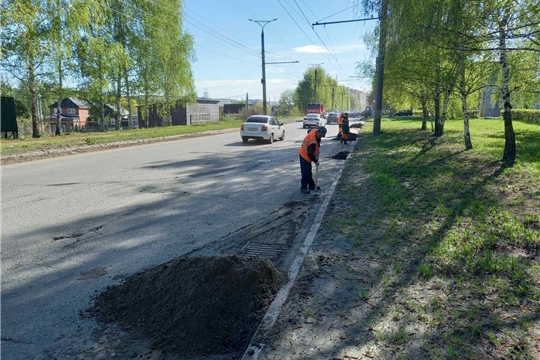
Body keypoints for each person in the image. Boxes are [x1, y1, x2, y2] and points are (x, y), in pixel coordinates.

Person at [299, 126, 327, 194]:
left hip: (306, 153)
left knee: (309, 172)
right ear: (318, 132)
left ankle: (312, 185)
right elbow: (310, 153)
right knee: (305, 172)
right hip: (304, 155)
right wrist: (315, 161)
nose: (321, 136)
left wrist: (318, 141)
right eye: (321, 135)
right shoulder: (313, 142)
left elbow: (309, 131)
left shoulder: (314, 131)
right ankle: (303, 188)